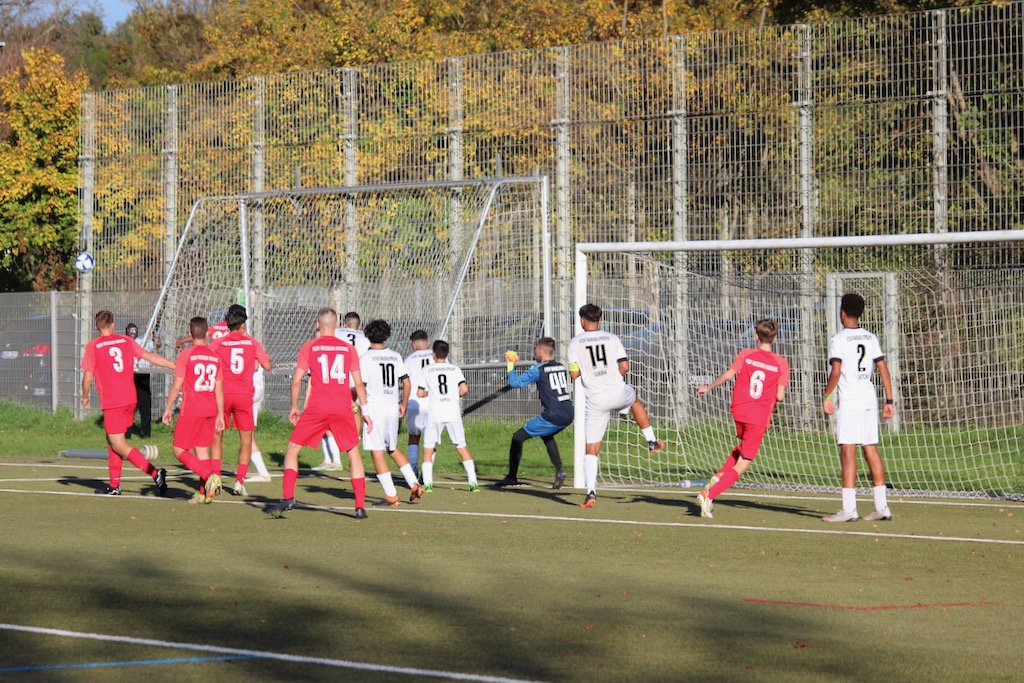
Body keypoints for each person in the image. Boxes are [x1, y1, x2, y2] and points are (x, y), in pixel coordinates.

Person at [266, 308, 372, 519]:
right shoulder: (348, 349)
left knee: (292, 449)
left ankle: (288, 497)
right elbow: (359, 384)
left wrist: (294, 407)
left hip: (317, 407)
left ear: (317, 325)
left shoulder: (309, 347)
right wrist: (365, 411)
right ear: (337, 326)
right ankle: (360, 507)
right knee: (353, 452)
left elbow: (297, 381)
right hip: (342, 406)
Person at [567, 303, 665, 509]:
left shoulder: (575, 343)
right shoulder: (612, 338)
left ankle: (591, 491)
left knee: (591, 448)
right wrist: (613, 378)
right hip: (618, 391)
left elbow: (574, 374)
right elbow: (625, 366)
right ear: (601, 320)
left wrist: (589, 375)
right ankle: (651, 441)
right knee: (634, 399)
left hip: (596, 400)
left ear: (581, 321)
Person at [694, 319, 790, 518]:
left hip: (739, 411)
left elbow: (729, 375)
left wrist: (708, 387)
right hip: (758, 416)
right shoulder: (781, 363)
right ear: (775, 338)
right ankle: (708, 495)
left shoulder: (746, 354)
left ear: (756, 337)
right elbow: (780, 396)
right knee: (745, 462)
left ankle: (719, 476)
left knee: (743, 447)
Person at [80, 310, 175, 496]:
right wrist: (173, 364)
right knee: (112, 441)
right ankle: (114, 485)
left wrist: (85, 396)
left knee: (119, 444)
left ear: (96, 326)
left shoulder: (93, 346)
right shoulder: (125, 341)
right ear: (113, 325)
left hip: (113, 401)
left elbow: (87, 377)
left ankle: (155, 473)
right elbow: (149, 356)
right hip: (130, 398)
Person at [821, 293, 895, 523]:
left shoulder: (839, 339)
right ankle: (882, 506)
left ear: (842, 313)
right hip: (869, 397)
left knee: (847, 450)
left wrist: (826, 395)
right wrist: (889, 401)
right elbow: (883, 369)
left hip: (850, 398)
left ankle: (849, 509)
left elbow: (836, 371)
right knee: (870, 448)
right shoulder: (870, 337)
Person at [209, 305, 273, 496]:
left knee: (217, 436)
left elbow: (208, 361)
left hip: (223, 395)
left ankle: (216, 477)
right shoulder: (251, 342)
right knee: (246, 440)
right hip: (244, 395)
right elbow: (267, 365)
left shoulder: (218, 343)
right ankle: (239, 482)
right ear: (243, 325)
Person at [360, 319, 425, 506]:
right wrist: (403, 404)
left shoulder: (365, 358)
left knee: (377, 451)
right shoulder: (395, 356)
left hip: (374, 407)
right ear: (387, 335)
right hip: (392, 406)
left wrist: (357, 405)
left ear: (368, 335)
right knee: (392, 448)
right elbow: (407, 383)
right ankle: (414, 484)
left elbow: (360, 385)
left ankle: (391, 494)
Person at [161, 317, 226, 503]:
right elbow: (219, 390)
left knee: (179, 449)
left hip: (192, 408)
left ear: (190, 333)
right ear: (207, 334)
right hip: (210, 408)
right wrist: (220, 415)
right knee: (201, 450)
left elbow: (177, 385)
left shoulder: (186, 355)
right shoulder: (215, 356)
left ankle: (210, 477)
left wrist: (168, 408)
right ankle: (204, 493)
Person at [495, 337, 573, 489]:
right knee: (546, 435)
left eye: (536, 349)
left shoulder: (538, 369)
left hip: (554, 414)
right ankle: (560, 471)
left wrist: (511, 363)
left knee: (518, 437)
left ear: (540, 351)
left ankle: (511, 477)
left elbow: (515, 383)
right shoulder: (560, 366)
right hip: (568, 412)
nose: (534, 352)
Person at [312, 311, 372, 471]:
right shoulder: (365, 337)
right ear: (359, 326)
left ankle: (334, 459)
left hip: (337, 378)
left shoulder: (336, 332)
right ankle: (353, 448)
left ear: (343, 324)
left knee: (327, 415)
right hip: (359, 379)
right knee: (355, 411)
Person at [417, 339, 478, 493]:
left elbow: (420, 393)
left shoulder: (427, 370)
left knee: (428, 447)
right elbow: (464, 389)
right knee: (461, 446)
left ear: (433, 355)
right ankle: (473, 482)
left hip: (435, 413)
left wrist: (430, 394)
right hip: (453, 411)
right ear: (448, 354)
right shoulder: (455, 369)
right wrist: (455, 395)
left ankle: (428, 484)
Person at [403, 329, 434, 475]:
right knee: (431, 439)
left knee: (413, 436)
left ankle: (414, 468)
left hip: (414, 401)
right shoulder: (436, 356)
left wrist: (403, 403)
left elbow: (405, 382)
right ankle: (426, 473)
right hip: (433, 403)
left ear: (413, 345)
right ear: (428, 343)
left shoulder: (409, 360)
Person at [126, 322, 160, 438]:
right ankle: (127, 432)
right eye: (130, 331)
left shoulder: (143, 340)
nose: (132, 333)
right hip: (130, 375)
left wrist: (152, 333)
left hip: (143, 373)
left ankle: (146, 433)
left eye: (134, 330)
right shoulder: (124, 342)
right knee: (129, 404)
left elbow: (157, 344)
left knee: (145, 404)